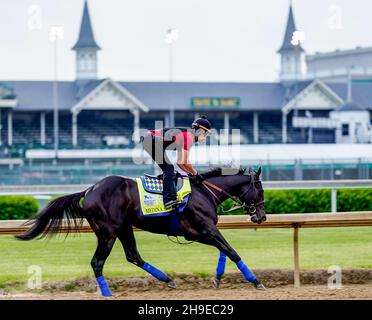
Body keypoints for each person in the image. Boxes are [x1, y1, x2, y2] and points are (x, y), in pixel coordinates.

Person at [142, 115, 212, 209]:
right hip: (150, 139)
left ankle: (168, 190)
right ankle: (168, 199)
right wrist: (195, 173)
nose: (205, 137)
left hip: (150, 139)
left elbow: (180, 162)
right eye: (206, 134)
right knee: (169, 169)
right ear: (200, 131)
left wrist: (190, 173)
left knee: (169, 170)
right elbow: (186, 162)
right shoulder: (189, 137)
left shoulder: (187, 135)